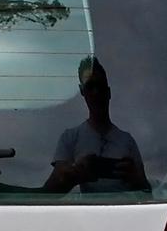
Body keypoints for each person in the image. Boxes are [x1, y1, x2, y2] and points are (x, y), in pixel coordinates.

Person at [44, 57, 149, 194]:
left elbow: (147, 191)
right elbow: (49, 192)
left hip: (126, 214)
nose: (96, 92)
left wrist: (136, 179)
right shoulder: (70, 138)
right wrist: (75, 173)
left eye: (100, 86)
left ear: (108, 92)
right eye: (90, 86)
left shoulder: (128, 141)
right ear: (82, 92)